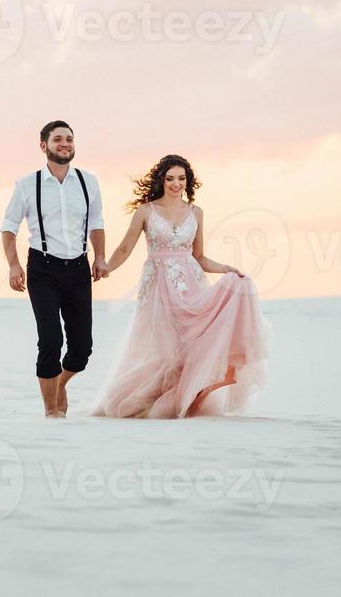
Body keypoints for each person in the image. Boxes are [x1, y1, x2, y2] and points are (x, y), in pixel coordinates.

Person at [92, 154, 271, 419]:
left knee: (192, 340)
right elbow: (126, 247)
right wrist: (105, 266)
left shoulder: (196, 212)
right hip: (157, 286)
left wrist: (226, 269)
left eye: (181, 178)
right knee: (163, 347)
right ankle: (159, 399)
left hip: (190, 284)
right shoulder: (145, 212)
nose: (176, 184)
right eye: (170, 178)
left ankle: (191, 395)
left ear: (188, 181)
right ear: (161, 181)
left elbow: (199, 257)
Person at [1, 121, 110, 418]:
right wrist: (13, 265)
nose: (65, 143)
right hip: (42, 267)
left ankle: (58, 385)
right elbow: (9, 227)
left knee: (82, 350)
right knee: (50, 340)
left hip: (78, 268)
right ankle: (52, 412)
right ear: (43, 146)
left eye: (70, 139)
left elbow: (96, 223)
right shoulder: (27, 184)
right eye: (58, 139)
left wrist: (100, 257)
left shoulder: (89, 181)